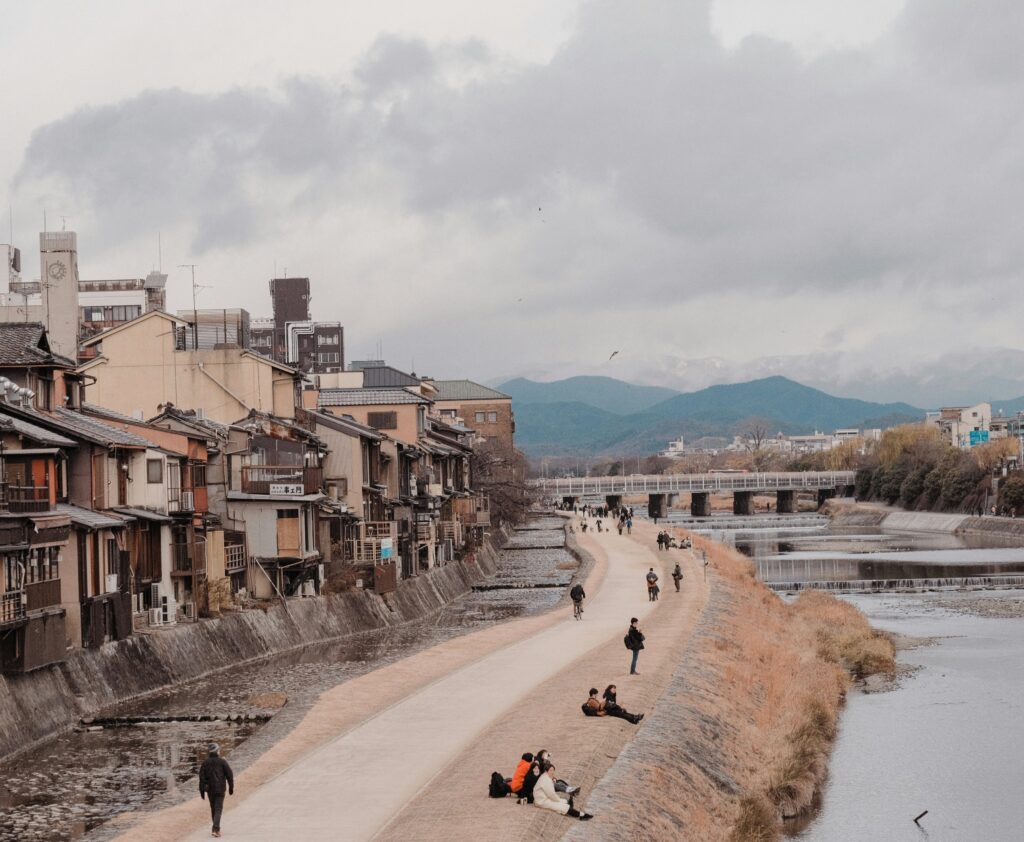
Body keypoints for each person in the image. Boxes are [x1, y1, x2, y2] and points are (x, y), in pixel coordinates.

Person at [199, 743, 234, 838]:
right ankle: (216, 829)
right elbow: (229, 775)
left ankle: (215, 828)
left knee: (214, 808)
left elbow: (202, 778)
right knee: (218, 809)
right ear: (217, 751)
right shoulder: (222, 762)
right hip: (220, 789)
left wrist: (202, 791)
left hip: (210, 790)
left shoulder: (205, 763)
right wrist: (231, 787)